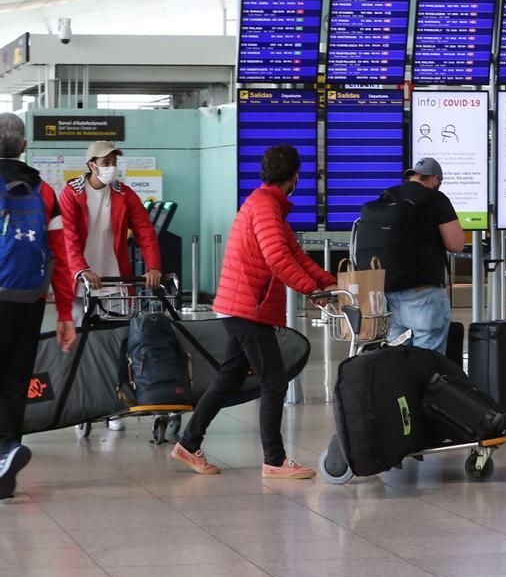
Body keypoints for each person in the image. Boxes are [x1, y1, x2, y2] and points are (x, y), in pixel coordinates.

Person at [172, 144, 337, 479]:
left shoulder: (268, 206)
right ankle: (274, 460)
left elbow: (294, 253)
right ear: (294, 177)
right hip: (249, 307)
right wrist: (310, 291)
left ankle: (188, 444)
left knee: (229, 377)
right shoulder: (264, 208)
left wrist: (327, 283)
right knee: (274, 379)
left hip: (240, 305)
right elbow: (278, 259)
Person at [58, 140, 161, 432]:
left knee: (118, 342)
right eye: (105, 163)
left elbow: (144, 230)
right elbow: (68, 237)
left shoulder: (123, 193)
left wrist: (153, 265)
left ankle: (114, 405)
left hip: (116, 278)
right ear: (92, 165)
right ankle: (83, 406)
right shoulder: (71, 193)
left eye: (114, 161)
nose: (111, 167)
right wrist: (82, 269)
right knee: (83, 344)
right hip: (81, 284)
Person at [0, 113, 76, 499]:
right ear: (24, 147)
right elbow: (61, 257)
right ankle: (7, 452)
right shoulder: (44, 191)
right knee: (14, 382)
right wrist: (65, 313)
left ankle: (4, 453)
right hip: (29, 301)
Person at [380, 157, 465, 353]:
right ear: (435, 179)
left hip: (387, 291)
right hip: (422, 292)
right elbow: (456, 244)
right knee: (427, 360)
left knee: (397, 360)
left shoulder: (388, 196)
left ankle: (402, 384)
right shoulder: (436, 199)